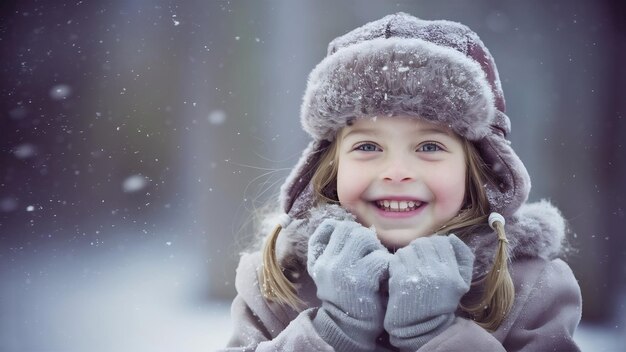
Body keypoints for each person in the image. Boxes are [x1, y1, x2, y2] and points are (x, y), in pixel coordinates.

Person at [221, 12, 582, 351]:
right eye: (367, 146)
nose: (396, 171)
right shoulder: (279, 281)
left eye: (429, 146)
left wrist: (437, 336)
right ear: (331, 166)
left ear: (480, 168)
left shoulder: (530, 289)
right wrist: (332, 332)